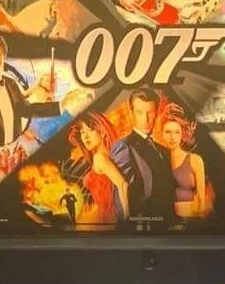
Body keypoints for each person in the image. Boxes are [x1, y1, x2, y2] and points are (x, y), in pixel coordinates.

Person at [111, 88, 175, 220]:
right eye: (140, 112)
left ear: (156, 112)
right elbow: (122, 191)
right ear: (131, 113)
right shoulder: (124, 146)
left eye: (150, 112)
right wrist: (127, 225)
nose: (145, 119)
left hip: (165, 223)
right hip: (140, 224)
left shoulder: (162, 150)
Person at [67, 113, 130, 228]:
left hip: (110, 219)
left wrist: (126, 220)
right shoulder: (102, 156)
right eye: (82, 132)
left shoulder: (100, 158)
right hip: (104, 217)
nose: (85, 137)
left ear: (102, 132)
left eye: (90, 130)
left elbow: (122, 185)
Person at [158, 108, 210, 222]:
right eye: (167, 132)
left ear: (183, 134)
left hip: (190, 222)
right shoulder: (156, 160)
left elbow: (201, 200)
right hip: (164, 224)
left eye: (177, 132)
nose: (172, 137)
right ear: (161, 133)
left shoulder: (195, 160)